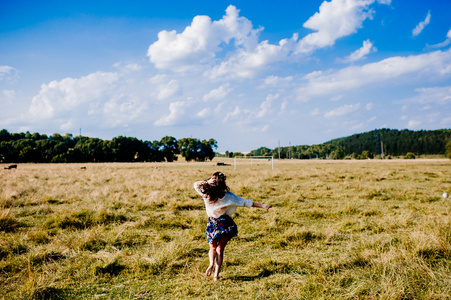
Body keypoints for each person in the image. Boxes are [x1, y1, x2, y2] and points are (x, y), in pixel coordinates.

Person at [193, 172, 271, 281]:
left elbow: (196, 184)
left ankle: (211, 264)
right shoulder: (229, 196)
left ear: (212, 182)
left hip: (212, 223)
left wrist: (207, 182)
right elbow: (245, 202)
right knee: (220, 249)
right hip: (225, 224)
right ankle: (216, 276)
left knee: (213, 247)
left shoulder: (207, 194)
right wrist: (262, 206)